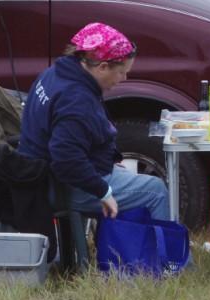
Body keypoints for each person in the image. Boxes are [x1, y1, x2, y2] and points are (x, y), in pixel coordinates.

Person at [18, 22, 169, 220]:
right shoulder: (76, 101)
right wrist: (103, 191)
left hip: (38, 174)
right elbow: (66, 160)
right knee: (155, 191)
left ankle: (126, 247)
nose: (124, 77)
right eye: (122, 71)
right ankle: (166, 252)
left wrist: (108, 162)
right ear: (102, 67)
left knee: (133, 179)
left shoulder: (55, 73)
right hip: (62, 186)